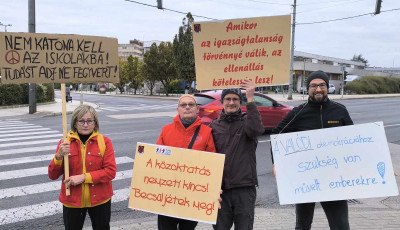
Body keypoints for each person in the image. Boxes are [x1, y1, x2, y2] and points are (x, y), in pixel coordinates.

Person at [271, 71, 353, 230]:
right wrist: (276, 164)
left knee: (341, 226)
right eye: (313, 86)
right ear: (308, 88)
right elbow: (277, 135)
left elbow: (357, 142)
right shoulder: (298, 112)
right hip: (306, 180)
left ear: (327, 87)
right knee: (302, 225)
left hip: (334, 179)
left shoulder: (340, 111)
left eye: (322, 85)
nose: (318, 89)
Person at [48, 104, 117, 230]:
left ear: (95, 123)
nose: (85, 124)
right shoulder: (65, 143)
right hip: (72, 200)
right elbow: (52, 175)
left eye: (89, 121)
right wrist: (58, 156)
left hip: (100, 200)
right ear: (75, 123)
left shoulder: (105, 142)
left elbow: (110, 172)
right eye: (81, 121)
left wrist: (84, 177)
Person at [210, 79, 265, 230]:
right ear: (222, 102)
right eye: (228, 99)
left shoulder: (248, 121)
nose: (231, 102)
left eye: (235, 99)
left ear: (240, 102)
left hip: (244, 189)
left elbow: (256, 130)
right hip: (220, 191)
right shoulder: (214, 126)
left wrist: (251, 99)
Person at [156, 94, 217, 230]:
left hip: (193, 196)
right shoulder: (166, 131)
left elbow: (211, 164)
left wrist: (212, 191)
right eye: (183, 105)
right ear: (178, 109)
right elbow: (155, 162)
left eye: (191, 104)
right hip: (169, 194)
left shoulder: (206, 132)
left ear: (197, 109)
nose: (187, 107)